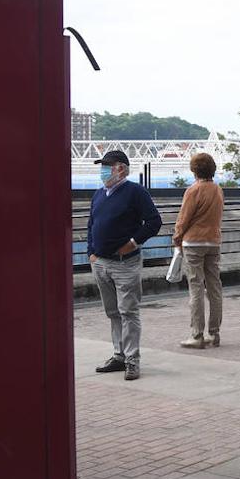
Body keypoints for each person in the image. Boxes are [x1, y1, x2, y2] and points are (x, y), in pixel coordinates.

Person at [87, 150, 162, 381]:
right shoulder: (99, 194)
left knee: (128, 311)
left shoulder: (135, 192)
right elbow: (91, 224)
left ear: (121, 169)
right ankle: (119, 355)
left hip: (125, 264)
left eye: (107, 166)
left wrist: (132, 243)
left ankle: (132, 360)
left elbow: (154, 221)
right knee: (113, 312)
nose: (103, 171)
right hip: (101, 263)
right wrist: (91, 252)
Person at [172, 153, 224, 349]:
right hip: (214, 241)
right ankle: (214, 333)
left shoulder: (193, 190)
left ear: (194, 170)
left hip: (193, 242)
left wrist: (177, 237)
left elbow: (183, 218)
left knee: (196, 288)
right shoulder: (218, 190)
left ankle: (197, 335)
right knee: (214, 288)